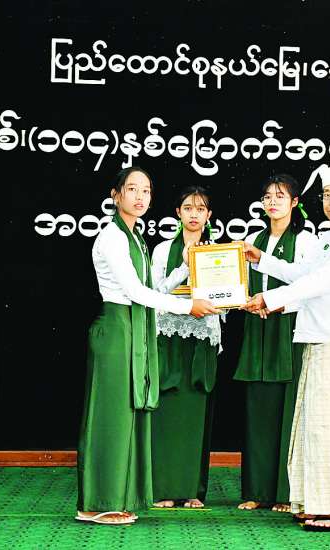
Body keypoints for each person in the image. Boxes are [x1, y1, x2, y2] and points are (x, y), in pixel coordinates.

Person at [242, 162, 330, 532]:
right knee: (314, 426)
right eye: (327, 195)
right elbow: (304, 273)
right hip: (317, 338)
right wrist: (262, 259)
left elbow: (322, 281)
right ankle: (315, 503)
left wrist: (270, 299)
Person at [76, 168, 219, 526]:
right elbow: (135, 292)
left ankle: (118, 498)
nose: (140, 197)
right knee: (109, 418)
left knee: (128, 414)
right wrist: (188, 307)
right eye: (132, 189)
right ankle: (94, 504)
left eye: (146, 191)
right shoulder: (113, 237)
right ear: (116, 195)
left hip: (135, 327)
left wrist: (184, 271)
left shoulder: (135, 237)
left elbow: (153, 289)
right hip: (117, 326)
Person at [235, 174, 317, 513]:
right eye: (268, 196)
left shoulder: (307, 240)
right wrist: (238, 299)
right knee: (258, 407)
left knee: (288, 410)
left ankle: (286, 493)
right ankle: (257, 491)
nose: (273, 202)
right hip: (257, 327)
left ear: (295, 202)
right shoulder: (252, 239)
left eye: (280, 196)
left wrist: (278, 303)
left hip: (289, 327)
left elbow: (309, 284)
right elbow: (237, 283)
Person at [151, 186, 221, 509]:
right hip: (169, 337)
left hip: (201, 339)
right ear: (178, 212)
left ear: (209, 215)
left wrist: (222, 301)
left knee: (196, 411)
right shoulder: (163, 250)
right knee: (167, 409)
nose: (194, 214)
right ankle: (164, 489)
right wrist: (185, 266)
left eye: (200, 209)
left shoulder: (219, 251)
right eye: (188, 208)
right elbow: (156, 294)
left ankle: (193, 490)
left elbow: (226, 299)